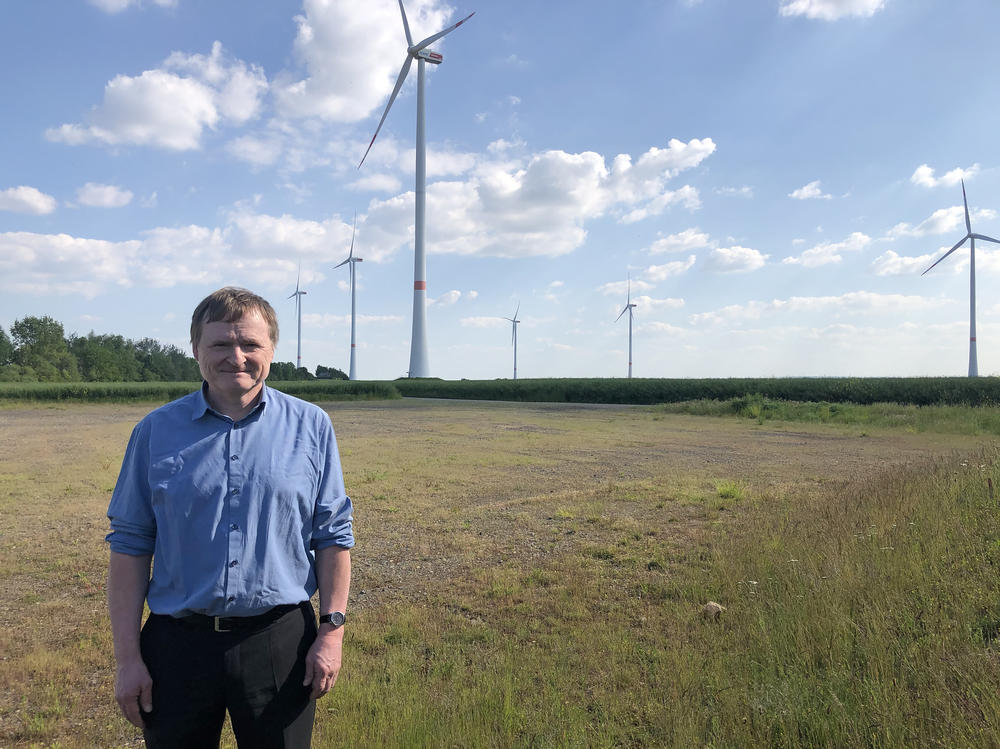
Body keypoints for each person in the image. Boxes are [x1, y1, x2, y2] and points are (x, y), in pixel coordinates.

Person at [106, 287, 354, 748]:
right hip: (177, 646)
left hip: (279, 642)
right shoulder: (155, 432)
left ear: (272, 350)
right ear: (196, 349)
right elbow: (130, 546)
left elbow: (333, 535)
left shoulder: (312, 426)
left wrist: (332, 633)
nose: (235, 356)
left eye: (250, 345)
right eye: (220, 344)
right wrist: (127, 659)